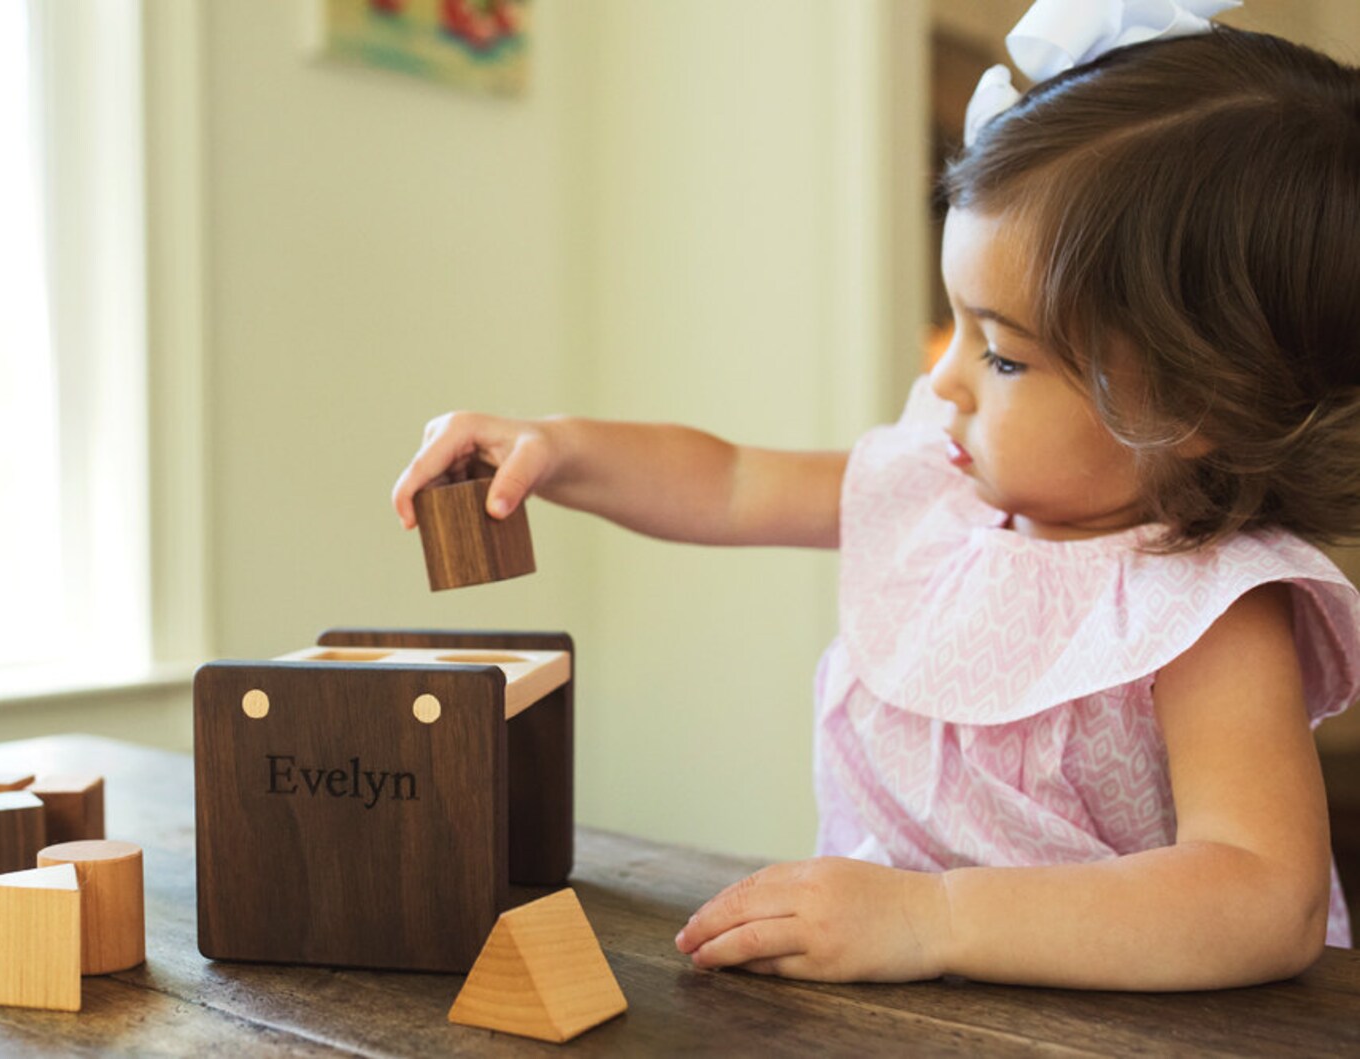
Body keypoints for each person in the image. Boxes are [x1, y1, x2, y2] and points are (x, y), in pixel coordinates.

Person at [390, 1, 1360, 990]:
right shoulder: (932, 489)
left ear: (1193, 402)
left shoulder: (1205, 612)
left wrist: (932, 917)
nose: (943, 376)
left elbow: (1261, 895)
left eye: (1003, 354)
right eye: (957, 323)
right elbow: (730, 483)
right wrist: (558, 449)